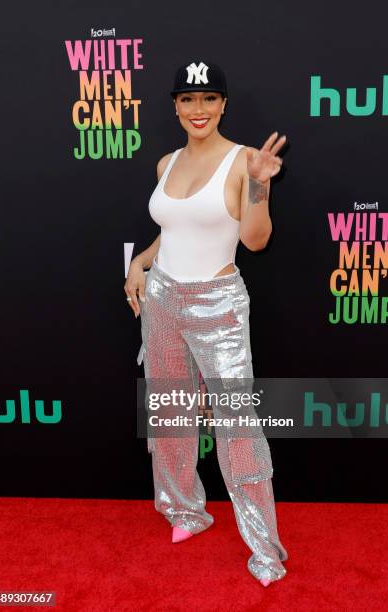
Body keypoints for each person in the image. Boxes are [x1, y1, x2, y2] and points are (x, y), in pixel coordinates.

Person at [124, 59, 288, 587]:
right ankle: (185, 511)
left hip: (217, 306)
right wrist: (139, 261)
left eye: (209, 99)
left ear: (223, 105)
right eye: (189, 100)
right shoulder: (165, 163)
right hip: (164, 300)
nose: (199, 109)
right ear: (175, 106)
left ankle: (264, 547)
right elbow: (172, 231)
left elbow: (256, 240)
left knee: (237, 425)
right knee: (171, 414)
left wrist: (260, 186)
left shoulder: (244, 161)